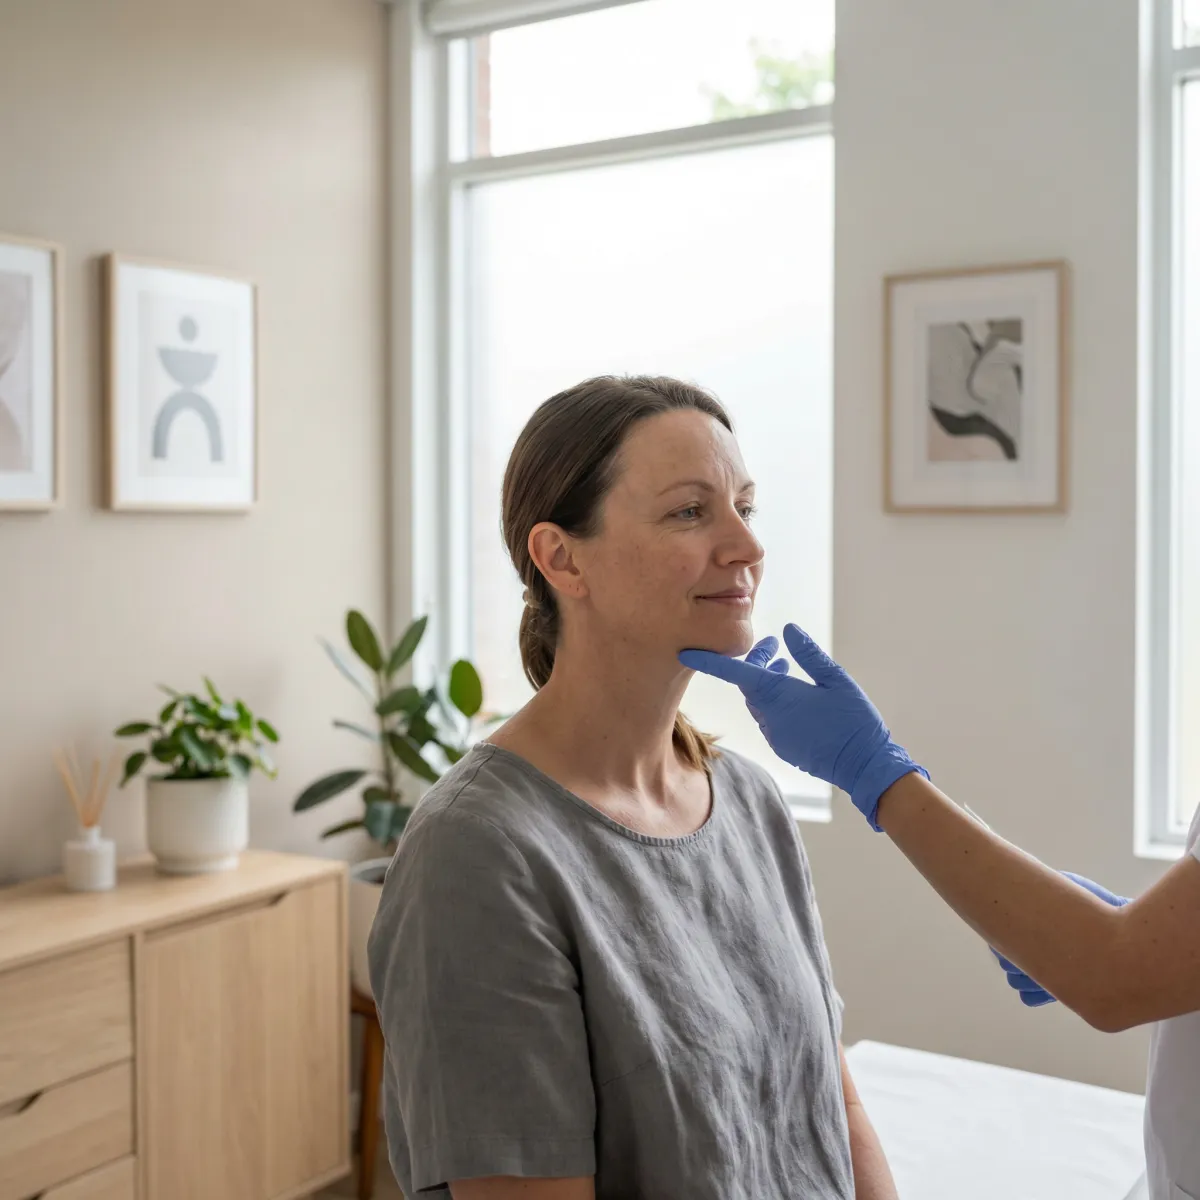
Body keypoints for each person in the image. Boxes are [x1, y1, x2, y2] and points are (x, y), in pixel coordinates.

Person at [367, 377, 898, 1200]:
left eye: (744, 508)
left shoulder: (749, 802)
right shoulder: (477, 856)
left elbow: (836, 1109)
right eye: (690, 512)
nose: (746, 547)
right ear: (560, 558)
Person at [681, 624, 1200, 1200]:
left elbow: (1116, 977)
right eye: (684, 522)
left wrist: (872, 768)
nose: (750, 549)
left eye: (749, 524)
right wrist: (1147, 935)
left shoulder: (749, 801)